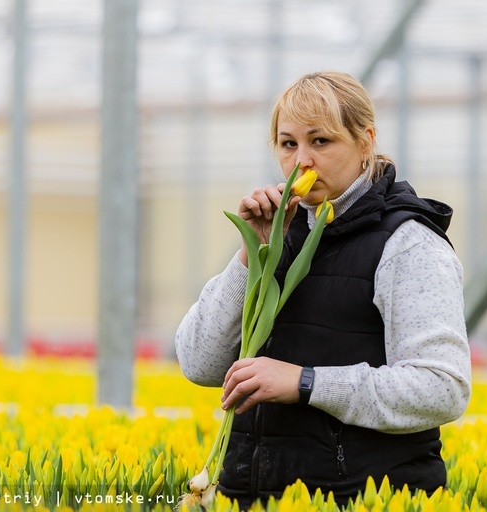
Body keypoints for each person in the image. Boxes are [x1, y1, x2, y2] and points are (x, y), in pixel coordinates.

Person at [175, 71, 471, 509]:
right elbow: (199, 363)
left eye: (321, 141)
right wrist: (251, 253)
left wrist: (305, 382)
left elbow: (442, 388)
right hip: (258, 497)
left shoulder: (407, 243)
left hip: (361, 498)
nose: (302, 161)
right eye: (289, 143)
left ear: (365, 141)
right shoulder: (281, 233)